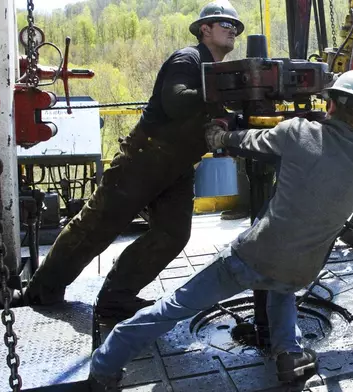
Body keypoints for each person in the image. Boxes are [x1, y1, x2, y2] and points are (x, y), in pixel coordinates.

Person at [87, 69, 353, 391]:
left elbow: (247, 140)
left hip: (254, 255)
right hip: (302, 268)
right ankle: (290, 355)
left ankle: (105, 366)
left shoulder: (298, 131)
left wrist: (220, 135)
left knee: (177, 306)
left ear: (330, 104)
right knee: (281, 286)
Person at [23, 0, 245, 323]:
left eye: (235, 27)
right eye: (224, 24)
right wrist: (223, 96)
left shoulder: (216, 74)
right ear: (204, 30)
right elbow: (175, 101)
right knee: (96, 228)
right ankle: (42, 291)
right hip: (142, 160)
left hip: (177, 168)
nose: (232, 30)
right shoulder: (189, 59)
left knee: (173, 233)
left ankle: (116, 296)